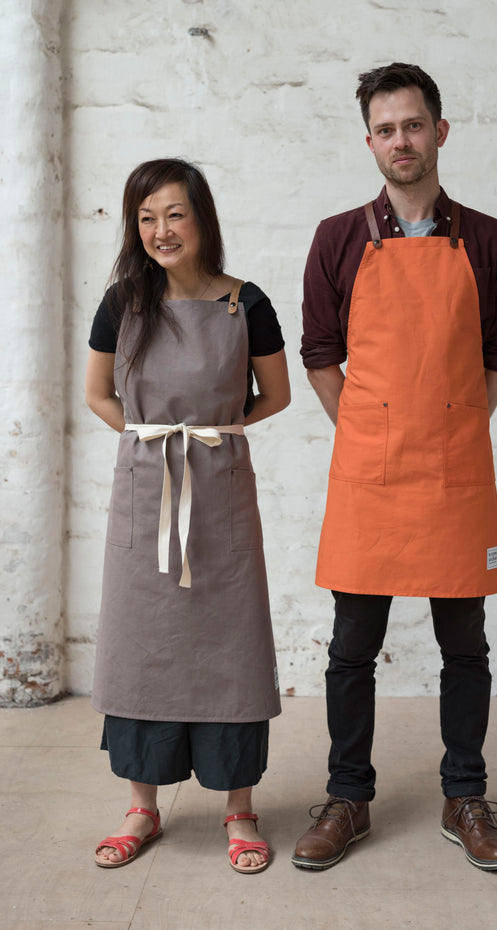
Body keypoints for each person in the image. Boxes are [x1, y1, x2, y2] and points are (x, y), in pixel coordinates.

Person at [292, 63, 497, 872]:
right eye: (386, 128)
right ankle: (347, 798)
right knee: (352, 646)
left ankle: (465, 796)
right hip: (371, 473)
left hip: (456, 469)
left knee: (466, 644)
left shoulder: (487, 239)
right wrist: (368, 431)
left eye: (414, 124)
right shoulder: (338, 237)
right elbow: (320, 353)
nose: (401, 140)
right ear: (370, 142)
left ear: (440, 132)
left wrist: (456, 426)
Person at [85, 158, 290, 874]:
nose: (160, 230)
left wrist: (217, 431)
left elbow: (277, 395)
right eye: (145, 217)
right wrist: (150, 440)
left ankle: (240, 807)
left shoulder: (246, 303)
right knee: (144, 642)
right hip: (146, 493)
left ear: (201, 220)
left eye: (173, 214)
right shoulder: (122, 303)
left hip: (220, 491)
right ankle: (142, 805)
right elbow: (99, 395)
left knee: (228, 644)